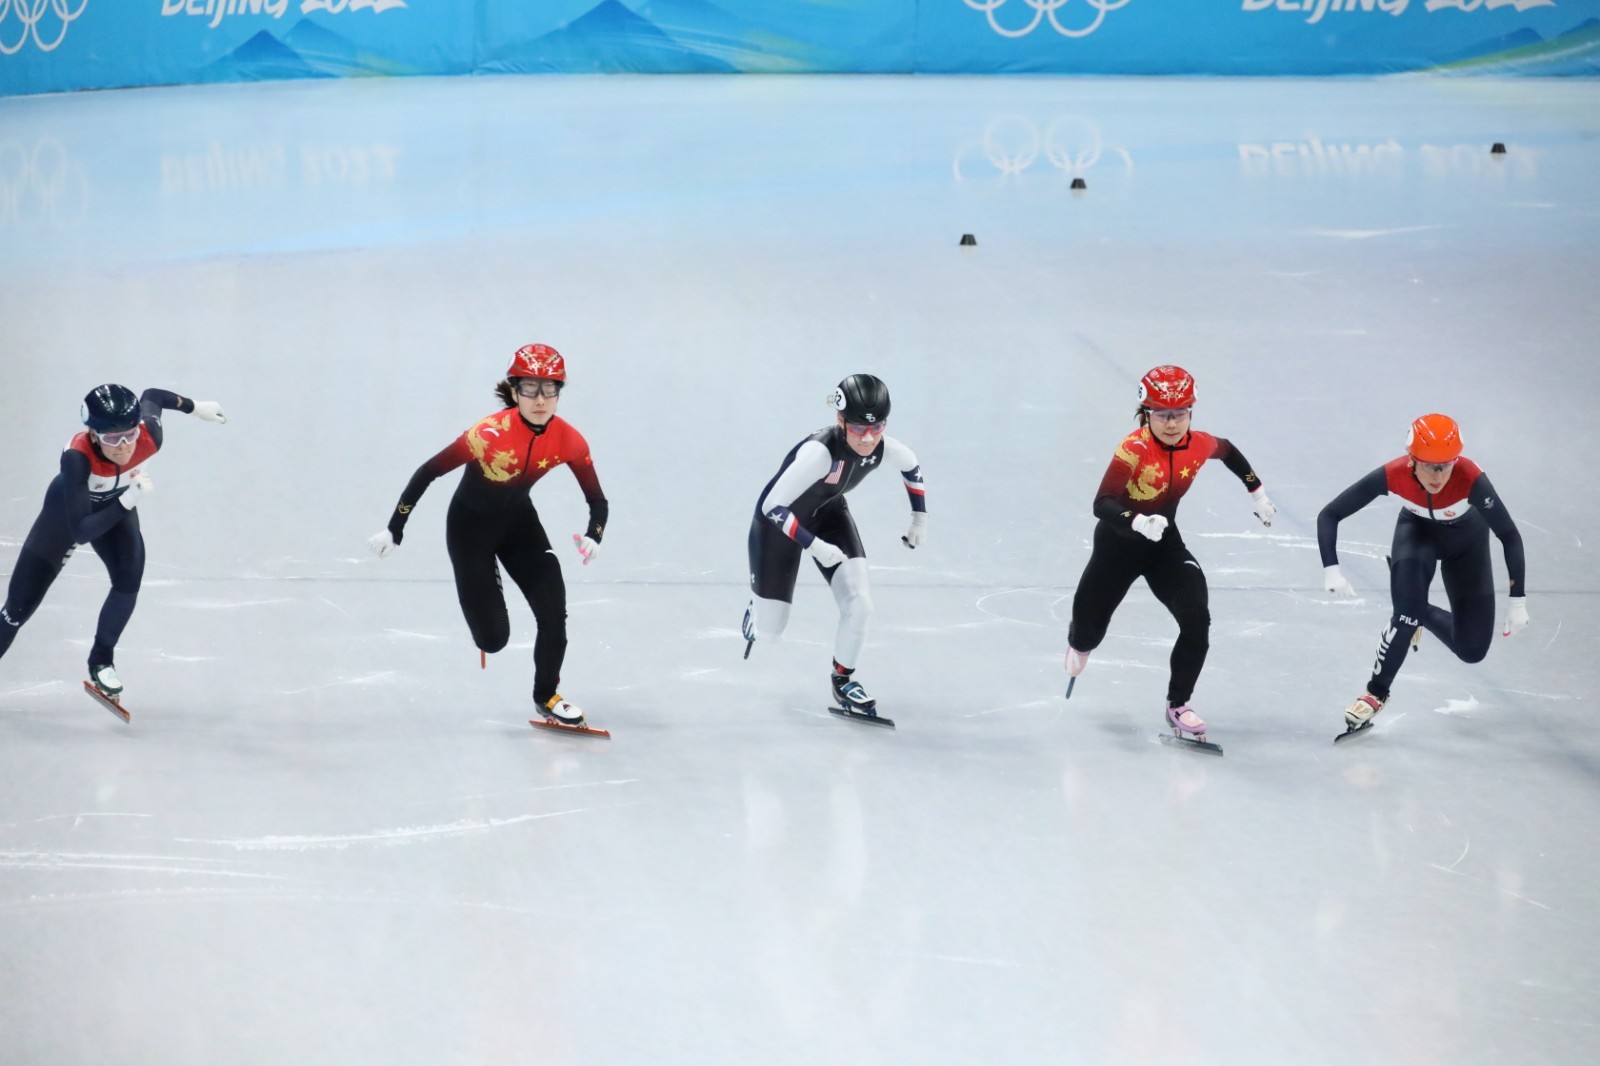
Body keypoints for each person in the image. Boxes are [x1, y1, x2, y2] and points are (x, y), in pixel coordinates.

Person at [368, 344, 608, 727]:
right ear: (514, 392)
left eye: (550, 389)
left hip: (519, 525)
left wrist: (596, 534)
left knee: (554, 611)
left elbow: (597, 499)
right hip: (469, 529)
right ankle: (482, 593)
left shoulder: (569, 440)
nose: (541, 399)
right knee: (494, 640)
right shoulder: (488, 433)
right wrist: (394, 529)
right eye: (530, 388)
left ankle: (546, 696)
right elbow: (428, 471)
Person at [1063, 365, 1276, 741]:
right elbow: (1102, 503)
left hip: (1164, 545)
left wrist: (1256, 492)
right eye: (1162, 415)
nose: (1172, 423)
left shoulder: (1200, 442)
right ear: (1147, 414)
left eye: (1180, 414)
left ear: (1191, 412)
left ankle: (1178, 704)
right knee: (1088, 632)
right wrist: (1136, 522)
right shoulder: (1134, 449)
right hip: (1117, 547)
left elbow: (1229, 452)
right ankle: (1080, 643)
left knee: (1197, 618)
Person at [0, 384, 227, 699]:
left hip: (116, 507)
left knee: (129, 577)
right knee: (17, 609)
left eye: (129, 435)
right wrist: (129, 499)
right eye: (111, 439)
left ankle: (101, 659)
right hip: (69, 515)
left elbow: (153, 396)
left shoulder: (150, 437)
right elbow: (80, 531)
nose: (123, 446)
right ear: (93, 434)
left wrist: (194, 406)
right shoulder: (76, 458)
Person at [1318, 412, 1527, 732]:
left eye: (1446, 464)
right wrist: (1331, 569)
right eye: (1430, 464)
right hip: (1418, 537)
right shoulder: (1392, 474)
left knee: (1471, 651)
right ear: (1412, 460)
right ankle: (1375, 693)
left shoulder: (1470, 477)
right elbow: (1330, 514)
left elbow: (1509, 535)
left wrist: (1518, 599)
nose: (1438, 474)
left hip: (1466, 547)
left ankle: (1416, 609)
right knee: (1405, 615)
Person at [742, 373, 926, 718]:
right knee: (769, 633)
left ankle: (843, 681)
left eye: (877, 428)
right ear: (840, 420)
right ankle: (757, 611)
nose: (868, 438)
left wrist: (920, 518)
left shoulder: (882, 446)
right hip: (776, 527)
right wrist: (814, 547)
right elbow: (772, 506)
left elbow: (912, 466)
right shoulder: (819, 455)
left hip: (829, 514)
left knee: (860, 605)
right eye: (858, 429)